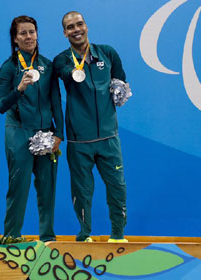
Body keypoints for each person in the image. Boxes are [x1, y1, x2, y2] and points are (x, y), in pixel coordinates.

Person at [53, 11, 128, 242]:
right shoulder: (62, 60)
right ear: (64, 33)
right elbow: (67, 74)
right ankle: (84, 234)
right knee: (82, 192)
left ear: (86, 26)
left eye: (79, 24)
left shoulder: (107, 53)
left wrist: (121, 91)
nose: (76, 30)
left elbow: (121, 81)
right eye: (70, 27)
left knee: (117, 188)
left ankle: (117, 235)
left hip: (108, 138)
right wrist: (79, 68)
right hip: (79, 141)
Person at [0, 15, 64, 242]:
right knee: (19, 188)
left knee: (47, 189)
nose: (28, 37)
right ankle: (12, 237)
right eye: (23, 33)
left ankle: (47, 237)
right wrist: (19, 88)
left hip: (46, 133)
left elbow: (56, 101)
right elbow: (0, 105)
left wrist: (59, 134)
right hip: (18, 132)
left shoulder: (48, 65)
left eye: (32, 32)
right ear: (15, 39)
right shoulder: (8, 68)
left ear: (37, 34)